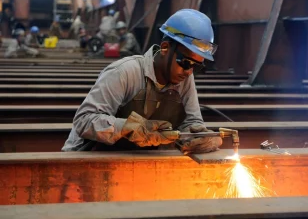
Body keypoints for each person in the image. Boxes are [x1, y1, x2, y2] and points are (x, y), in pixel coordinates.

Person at [62, 9, 222, 154]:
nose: (189, 71)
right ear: (165, 48)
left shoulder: (184, 77)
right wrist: (128, 127)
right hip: (89, 157)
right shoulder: (124, 72)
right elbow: (84, 120)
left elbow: (192, 122)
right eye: (186, 62)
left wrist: (201, 137)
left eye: (196, 66)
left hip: (134, 158)